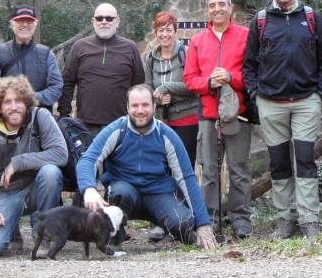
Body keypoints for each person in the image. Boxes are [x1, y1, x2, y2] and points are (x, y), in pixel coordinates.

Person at [242, 0, 322, 239]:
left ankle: (310, 220)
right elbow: (249, 64)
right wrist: (255, 94)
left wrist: (319, 94)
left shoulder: (311, 18)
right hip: (271, 102)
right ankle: (285, 220)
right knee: (279, 163)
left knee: (305, 160)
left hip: (306, 101)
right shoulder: (260, 21)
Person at [76, 84, 217, 250]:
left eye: (145, 105)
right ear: (127, 107)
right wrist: (89, 189)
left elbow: (186, 177)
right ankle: (114, 238)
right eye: (135, 105)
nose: (140, 110)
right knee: (121, 192)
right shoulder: (116, 130)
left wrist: (202, 223)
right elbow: (87, 160)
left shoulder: (166, 134)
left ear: (154, 106)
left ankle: (186, 237)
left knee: (183, 223)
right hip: (125, 192)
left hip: (158, 193)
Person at [0, 75, 67, 257]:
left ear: (27, 102)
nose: (13, 107)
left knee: (51, 172)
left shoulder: (40, 117)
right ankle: (12, 230)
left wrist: (18, 162)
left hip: (38, 188)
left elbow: (60, 154)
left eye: (18, 101)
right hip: (9, 192)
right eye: (7, 102)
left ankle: (43, 236)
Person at [184, 0, 252, 239]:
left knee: (239, 169)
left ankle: (241, 220)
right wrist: (209, 83)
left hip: (238, 114)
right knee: (210, 170)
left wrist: (232, 78)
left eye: (222, 4)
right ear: (208, 10)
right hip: (208, 115)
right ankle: (209, 219)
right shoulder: (198, 41)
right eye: (212, 5)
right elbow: (189, 78)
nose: (217, 9)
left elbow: (254, 75)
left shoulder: (245, 36)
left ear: (230, 7)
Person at [58, 3, 144, 137]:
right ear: (93, 21)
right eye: (99, 18)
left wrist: (136, 117)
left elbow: (138, 86)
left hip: (121, 125)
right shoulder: (79, 47)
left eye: (109, 18)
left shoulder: (130, 48)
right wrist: (64, 114)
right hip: (85, 126)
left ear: (117, 21)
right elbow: (67, 82)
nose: (104, 22)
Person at [145, 11, 198, 165]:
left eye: (169, 30)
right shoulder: (150, 59)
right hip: (161, 119)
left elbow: (194, 85)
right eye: (161, 30)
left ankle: (184, 191)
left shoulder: (186, 54)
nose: (165, 34)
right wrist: (158, 98)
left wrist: (167, 88)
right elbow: (148, 87)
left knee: (185, 164)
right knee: (164, 165)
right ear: (156, 33)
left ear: (175, 32)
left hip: (187, 118)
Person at [0, 5, 62, 110]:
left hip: (38, 115)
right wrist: (11, 101)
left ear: (35, 25)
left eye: (29, 21)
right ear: (12, 24)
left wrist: (31, 99)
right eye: (20, 21)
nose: (25, 25)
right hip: (7, 114)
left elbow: (56, 87)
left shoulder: (46, 54)